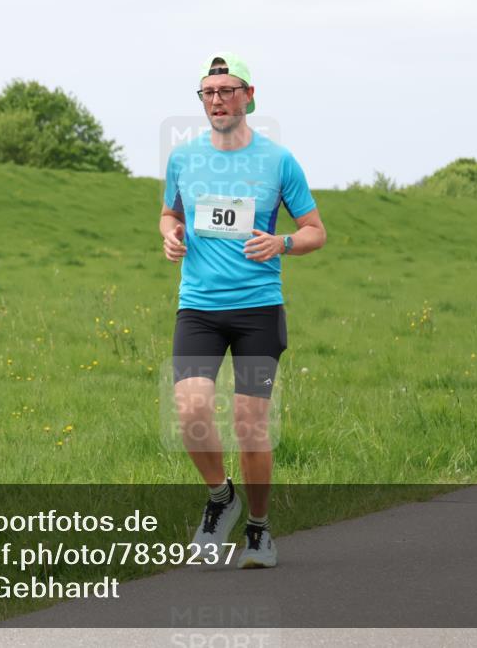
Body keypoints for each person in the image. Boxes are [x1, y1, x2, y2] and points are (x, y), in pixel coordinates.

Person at [160, 52, 326, 568]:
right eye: (208, 93)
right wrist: (170, 235)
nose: (217, 100)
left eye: (228, 90)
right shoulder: (184, 159)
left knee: (251, 425)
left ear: (249, 95)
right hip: (200, 309)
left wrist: (281, 243)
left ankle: (258, 529)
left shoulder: (279, 161)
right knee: (189, 411)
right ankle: (220, 498)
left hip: (258, 309)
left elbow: (315, 231)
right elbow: (169, 213)